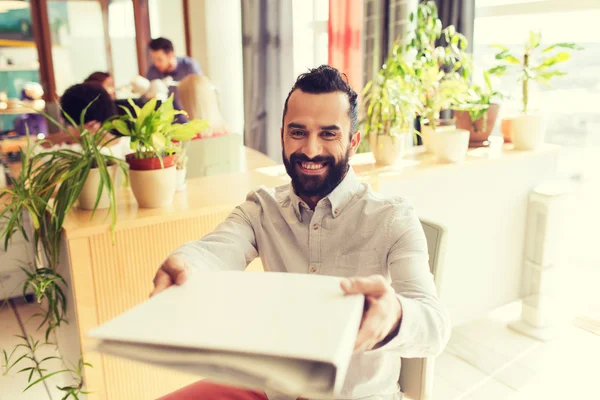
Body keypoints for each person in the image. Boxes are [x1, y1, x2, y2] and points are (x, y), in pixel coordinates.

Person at [152, 65, 451, 400]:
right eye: (298, 132)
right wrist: (185, 266)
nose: (310, 150)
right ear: (282, 135)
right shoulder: (261, 208)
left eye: (328, 134)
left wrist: (395, 317)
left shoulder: (393, 218)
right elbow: (215, 250)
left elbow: (435, 328)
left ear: (353, 141)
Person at [146, 37, 202, 112]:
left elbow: (199, 91)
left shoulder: (189, 67)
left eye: (159, 59)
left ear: (170, 55)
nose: (156, 64)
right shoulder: (153, 71)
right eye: (154, 59)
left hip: (190, 113)